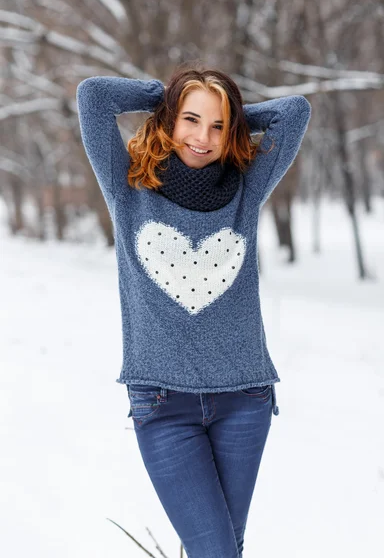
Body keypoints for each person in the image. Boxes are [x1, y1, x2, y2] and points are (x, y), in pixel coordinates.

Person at [76, 61, 311, 558]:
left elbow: (295, 112)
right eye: (191, 119)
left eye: (219, 125)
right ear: (168, 121)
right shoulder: (128, 189)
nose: (203, 137)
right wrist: (168, 94)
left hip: (243, 397)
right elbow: (93, 96)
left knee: (226, 548)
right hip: (163, 405)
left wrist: (221, 104)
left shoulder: (245, 189)